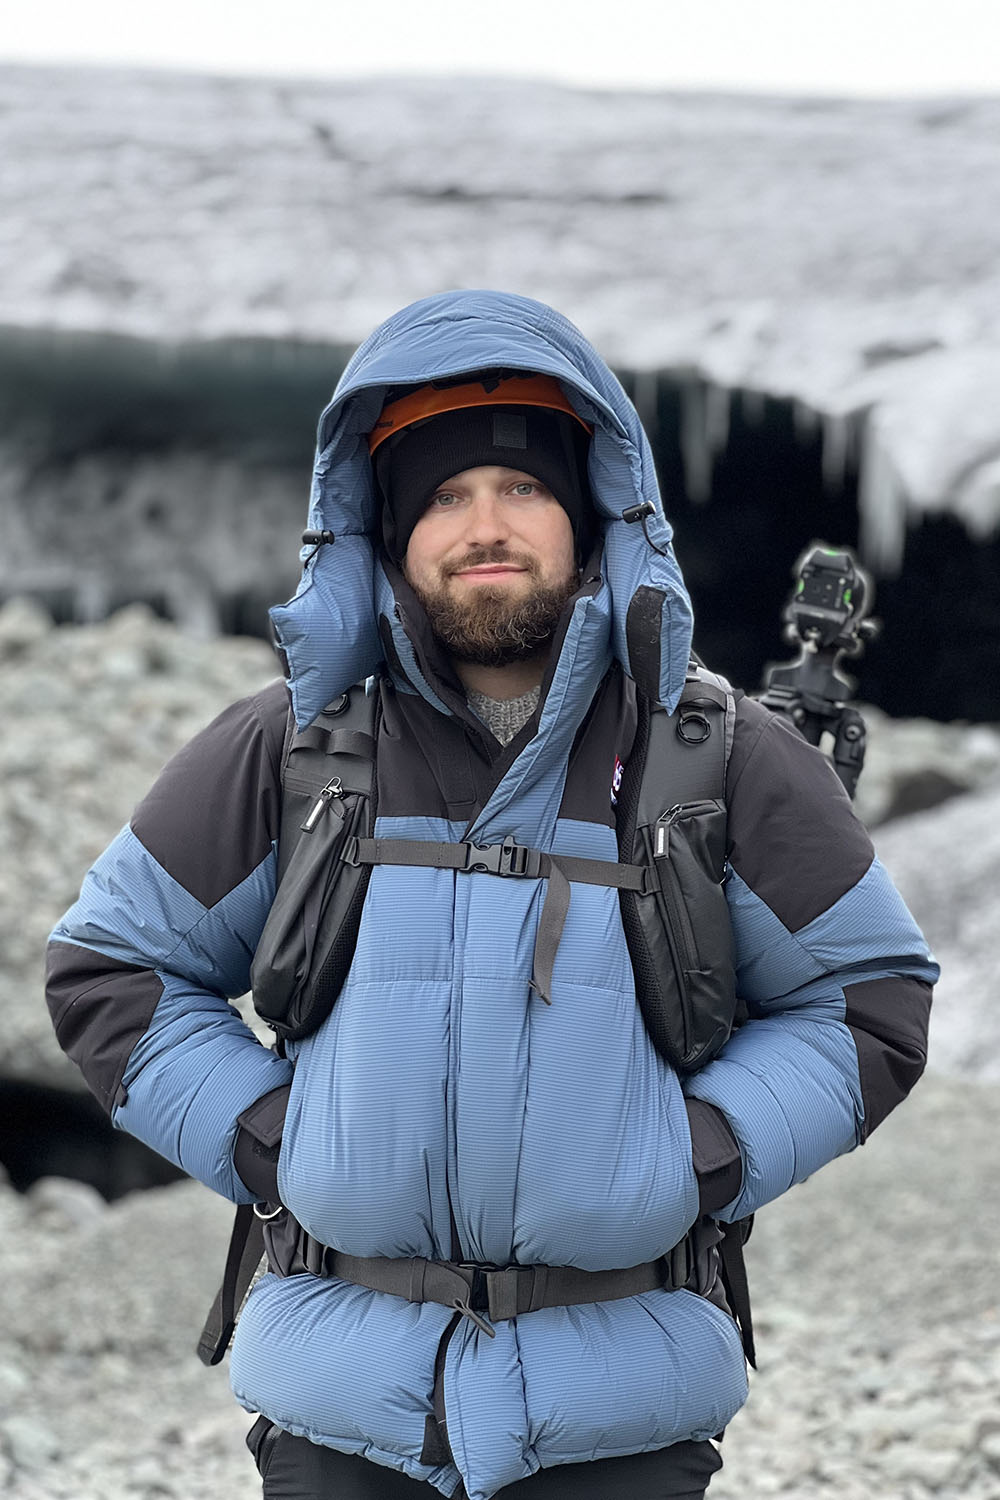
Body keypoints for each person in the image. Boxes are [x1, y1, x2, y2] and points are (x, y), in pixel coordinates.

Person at [46, 290, 938, 1500]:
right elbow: (113, 967)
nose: (484, 525)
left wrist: (702, 1161)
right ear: (383, 532)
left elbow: (866, 996)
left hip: (621, 1415)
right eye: (444, 497)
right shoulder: (296, 748)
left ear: (591, 513)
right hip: (342, 1411)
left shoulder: (715, 755)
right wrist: (275, 1146)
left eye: (520, 488)